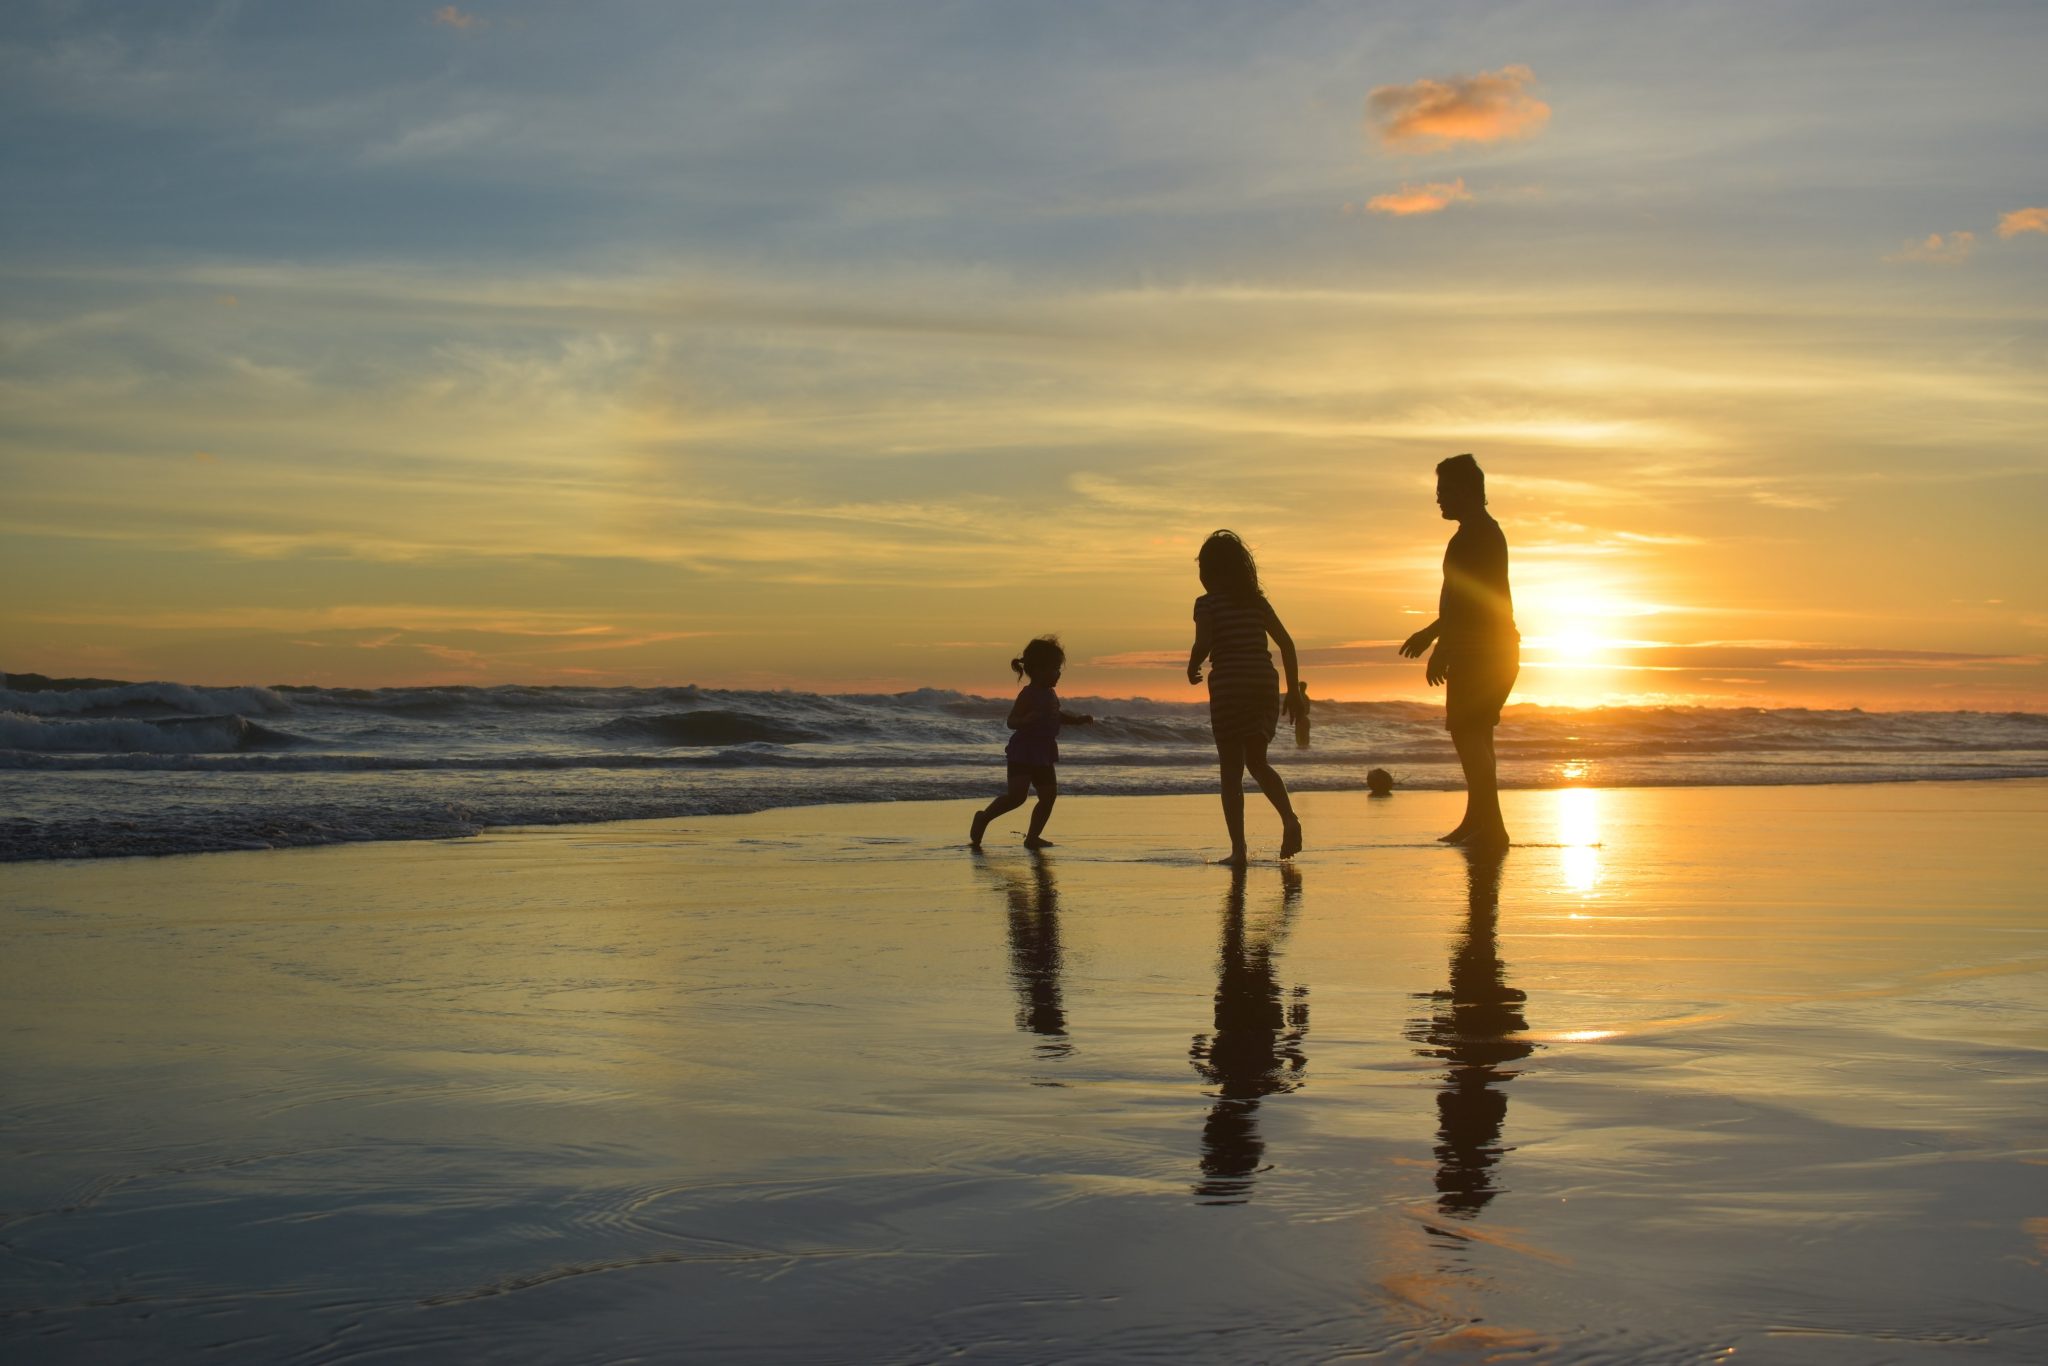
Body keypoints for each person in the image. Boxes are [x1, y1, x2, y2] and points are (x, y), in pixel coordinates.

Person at [1399, 454, 1519, 848]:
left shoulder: (1475, 537)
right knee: (1477, 735)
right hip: (1491, 649)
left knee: (1468, 734)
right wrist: (1432, 633)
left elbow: (1467, 603)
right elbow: (1458, 601)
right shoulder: (1479, 533)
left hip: (1481, 650)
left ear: (1468, 492)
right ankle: (1479, 821)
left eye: (1445, 491)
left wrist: (1441, 646)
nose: (1438, 499)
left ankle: (1492, 828)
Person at [1187, 530, 1305, 866]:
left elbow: (1204, 641)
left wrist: (1193, 664)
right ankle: (1289, 818)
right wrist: (1293, 691)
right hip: (1262, 683)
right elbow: (1287, 644)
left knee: (1230, 772)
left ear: (1210, 573)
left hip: (1229, 685)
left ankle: (1239, 851)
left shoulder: (1206, 603)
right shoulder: (1257, 602)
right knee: (1257, 761)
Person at [970, 636, 1093, 850]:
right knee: (1017, 797)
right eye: (1054, 669)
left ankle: (1032, 837)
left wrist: (1077, 720)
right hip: (1023, 751)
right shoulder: (1028, 695)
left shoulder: (1051, 694)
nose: (1058, 673)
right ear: (1037, 670)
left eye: (1058, 668)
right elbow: (1011, 721)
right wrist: (1025, 720)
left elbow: (1056, 714)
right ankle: (984, 817)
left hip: (1044, 752)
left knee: (1048, 796)